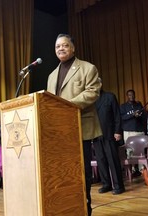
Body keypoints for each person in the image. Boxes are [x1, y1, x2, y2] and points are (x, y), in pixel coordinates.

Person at [47, 33, 102, 216]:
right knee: (63, 172)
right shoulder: (52, 75)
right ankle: (68, 207)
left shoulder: (87, 68)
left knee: (82, 172)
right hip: (59, 132)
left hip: (80, 128)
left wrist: (68, 106)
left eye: (64, 45)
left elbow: (93, 92)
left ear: (73, 48)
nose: (60, 49)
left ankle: (84, 208)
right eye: (57, 47)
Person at [93, 79, 125, 195]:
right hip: (96, 135)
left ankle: (118, 186)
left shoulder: (110, 96)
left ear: (101, 84)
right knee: (101, 161)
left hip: (110, 134)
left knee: (113, 160)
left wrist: (117, 131)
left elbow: (117, 115)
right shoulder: (91, 99)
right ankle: (106, 184)